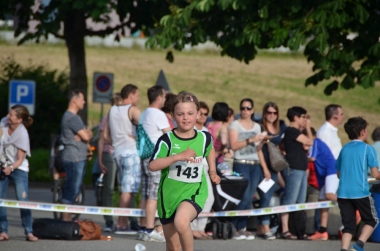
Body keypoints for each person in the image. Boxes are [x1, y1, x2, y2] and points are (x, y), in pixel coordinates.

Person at [149, 91, 220, 251]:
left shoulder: (204, 137)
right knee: (172, 246)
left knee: (181, 222)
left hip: (194, 192)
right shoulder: (167, 139)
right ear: (173, 115)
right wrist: (177, 157)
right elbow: (153, 165)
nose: (186, 118)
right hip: (168, 197)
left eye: (190, 113)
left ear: (198, 114)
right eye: (180, 114)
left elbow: (209, 150)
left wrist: (213, 171)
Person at [336, 117, 380, 251]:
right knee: (372, 220)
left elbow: (338, 173)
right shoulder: (368, 149)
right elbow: (375, 174)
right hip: (360, 192)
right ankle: (358, 245)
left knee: (348, 225)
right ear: (362, 132)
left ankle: (344, 249)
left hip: (343, 193)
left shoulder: (344, 149)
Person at [228, 98, 266, 240]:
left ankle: (242, 227)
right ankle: (234, 227)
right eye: (243, 108)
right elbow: (233, 145)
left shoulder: (257, 126)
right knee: (243, 197)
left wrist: (262, 141)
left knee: (249, 198)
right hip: (241, 163)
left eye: (248, 108)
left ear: (252, 110)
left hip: (255, 164)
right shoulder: (235, 125)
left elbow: (258, 150)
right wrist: (250, 139)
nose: (245, 111)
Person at [0, 105, 38, 242]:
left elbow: (20, 160)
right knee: (0, 199)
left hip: (18, 168)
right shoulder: (3, 123)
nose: (8, 116)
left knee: (22, 200)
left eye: (11, 115)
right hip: (3, 165)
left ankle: (29, 231)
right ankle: (3, 231)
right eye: (9, 114)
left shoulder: (22, 135)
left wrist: (11, 168)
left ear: (19, 119)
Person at [139, 86, 171, 242]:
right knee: (153, 195)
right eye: (164, 97)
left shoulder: (144, 113)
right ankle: (150, 230)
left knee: (145, 193)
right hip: (155, 158)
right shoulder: (158, 114)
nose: (165, 100)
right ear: (159, 98)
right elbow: (170, 135)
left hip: (144, 156)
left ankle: (143, 227)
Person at [108, 84, 141, 233]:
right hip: (131, 152)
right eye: (137, 95)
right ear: (131, 95)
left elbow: (106, 136)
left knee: (125, 188)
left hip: (118, 153)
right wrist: (135, 137)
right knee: (128, 190)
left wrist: (117, 140)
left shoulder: (113, 110)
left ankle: (122, 222)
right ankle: (122, 224)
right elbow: (147, 126)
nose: (138, 98)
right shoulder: (132, 110)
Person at [280, 106, 313, 240]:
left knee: (301, 202)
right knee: (290, 200)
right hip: (293, 169)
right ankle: (285, 229)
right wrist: (309, 128)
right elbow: (310, 141)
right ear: (295, 118)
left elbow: (307, 145)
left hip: (301, 169)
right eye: (303, 117)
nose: (306, 120)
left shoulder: (297, 133)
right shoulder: (291, 131)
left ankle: (299, 230)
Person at [60, 90, 93, 222]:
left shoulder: (73, 117)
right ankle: (66, 222)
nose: (84, 102)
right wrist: (86, 133)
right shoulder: (72, 118)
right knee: (71, 190)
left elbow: (85, 136)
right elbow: (86, 136)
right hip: (74, 158)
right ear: (74, 101)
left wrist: (85, 134)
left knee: (74, 189)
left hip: (78, 157)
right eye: (82, 99)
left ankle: (67, 221)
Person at [256, 102, 287, 240]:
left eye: (274, 113)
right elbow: (258, 150)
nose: (272, 115)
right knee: (265, 197)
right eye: (269, 112)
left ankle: (260, 227)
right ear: (264, 113)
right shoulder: (260, 127)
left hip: (274, 168)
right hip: (263, 167)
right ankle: (266, 227)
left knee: (266, 197)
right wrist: (265, 169)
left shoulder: (279, 127)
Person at [303, 128, 339, 241]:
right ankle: (322, 231)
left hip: (332, 171)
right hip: (326, 174)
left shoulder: (316, 142)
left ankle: (353, 206)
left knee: (329, 195)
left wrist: (300, 158)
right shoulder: (316, 143)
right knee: (322, 201)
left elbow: (312, 158)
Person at [97, 93, 122, 232]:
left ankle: (127, 220)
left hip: (122, 155)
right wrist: (100, 160)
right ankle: (109, 220)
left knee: (124, 188)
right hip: (110, 154)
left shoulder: (124, 118)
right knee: (109, 189)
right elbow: (101, 139)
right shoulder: (107, 118)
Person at [192, 101, 214, 240]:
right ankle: (192, 228)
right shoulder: (191, 129)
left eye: (206, 114)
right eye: (201, 113)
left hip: (205, 169)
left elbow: (210, 151)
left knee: (209, 198)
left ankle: (201, 227)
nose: (203, 116)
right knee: (192, 199)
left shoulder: (206, 131)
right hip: (193, 169)